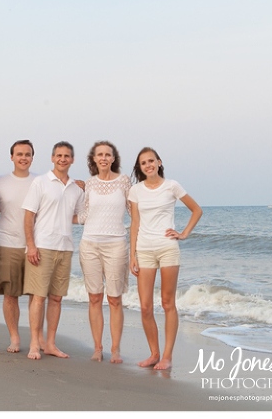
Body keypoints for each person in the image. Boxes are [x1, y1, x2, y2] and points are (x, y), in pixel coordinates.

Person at [129, 147, 202, 370]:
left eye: (151, 161)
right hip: (144, 250)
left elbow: (196, 210)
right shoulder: (135, 191)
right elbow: (134, 223)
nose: (148, 165)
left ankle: (167, 357)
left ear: (159, 162)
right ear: (140, 168)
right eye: (143, 163)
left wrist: (184, 233)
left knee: (168, 303)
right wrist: (132, 254)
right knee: (144, 306)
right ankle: (154, 354)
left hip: (167, 248)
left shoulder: (172, 186)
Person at [22, 141, 85, 360]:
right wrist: (30, 245)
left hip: (65, 247)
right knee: (38, 297)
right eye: (59, 155)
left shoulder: (77, 189)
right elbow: (29, 215)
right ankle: (33, 344)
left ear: (72, 159)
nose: (62, 159)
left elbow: (79, 217)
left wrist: (90, 192)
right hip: (42, 246)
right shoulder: (41, 182)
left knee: (56, 299)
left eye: (67, 156)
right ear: (52, 158)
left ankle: (50, 344)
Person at [78, 141, 131, 363]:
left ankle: (116, 349)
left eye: (107, 155)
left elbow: (135, 212)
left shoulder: (124, 181)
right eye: (99, 154)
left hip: (117, 244)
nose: (103, 158)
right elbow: (82, 217)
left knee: (115, 298)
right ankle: (98, 348)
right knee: (94, 297)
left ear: (113, 158)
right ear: (93, 159)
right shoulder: (88, 184)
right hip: (89, 244)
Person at [0, 140, 36, 353]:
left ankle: (37, 338)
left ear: (32, 157)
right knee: (10, 294)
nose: (23, 157)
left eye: (27, 154)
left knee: (36, 295)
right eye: (19, 154)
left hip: (35, 246)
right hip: (7, 243)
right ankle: (15, 338)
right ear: (11, 157)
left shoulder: (40, 182)